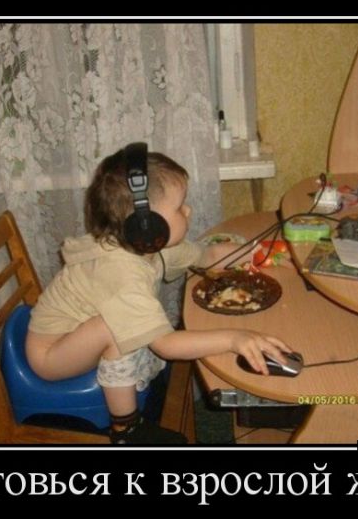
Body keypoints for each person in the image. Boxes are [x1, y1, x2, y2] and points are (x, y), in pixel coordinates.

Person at [26, 143, 293, 444]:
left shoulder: (146, 245)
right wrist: (234, 339)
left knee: (122, 321)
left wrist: (260, 252)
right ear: (145, 224)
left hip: (70, 334)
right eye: (179, 207)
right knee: (111, 326)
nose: (188, 211)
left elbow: (207, 255)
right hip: (50, 354)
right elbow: (165, 345)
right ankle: (126, 429)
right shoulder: (121, 273)